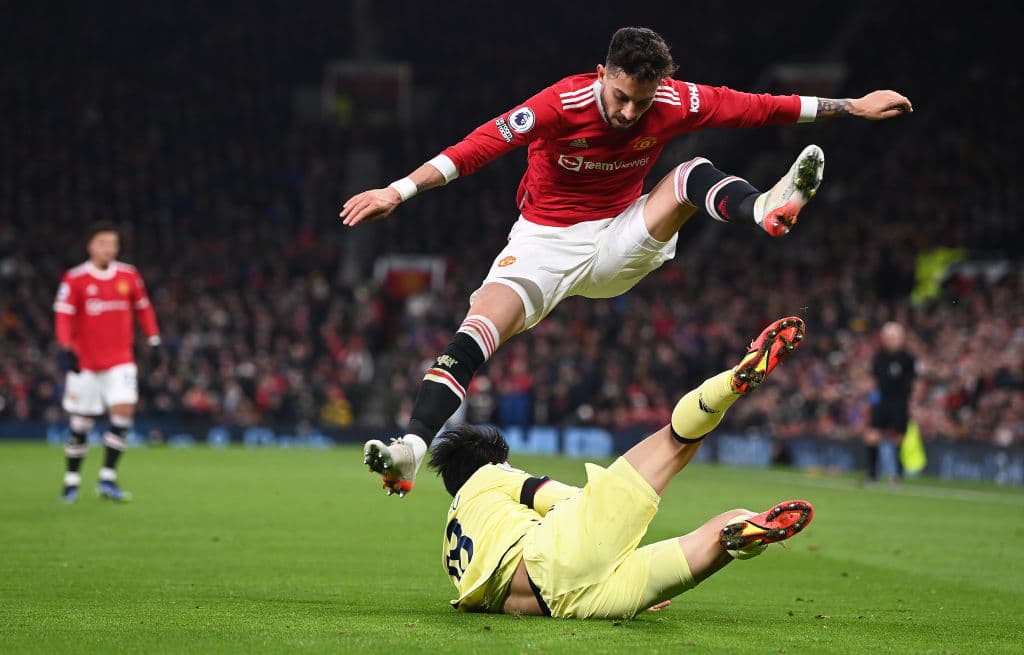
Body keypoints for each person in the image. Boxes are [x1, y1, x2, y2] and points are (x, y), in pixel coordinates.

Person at [345, 26, 913, 496]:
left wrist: (852, 107)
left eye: (642, 100)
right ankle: (412, 447)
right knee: (476, 330)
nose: (630, 110)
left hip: (619, 236)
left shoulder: (671, 101)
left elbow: (757, 107)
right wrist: (398, 190)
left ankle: (763, 208)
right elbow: (478, 147)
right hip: (544, 243)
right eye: (621, 96)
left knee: (690, 174)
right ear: (602, 74)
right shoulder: (560, 103)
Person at [430, 316, 812, 618]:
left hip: (562, 605)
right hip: (554, 554)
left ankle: (742, 530)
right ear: (490, 461)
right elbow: (562, 498)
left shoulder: (451, 551)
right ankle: (732, 382)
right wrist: (611, 514)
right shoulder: (488, 474)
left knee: (716, 537)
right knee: (675, 442)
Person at [53, 222, 162, 502]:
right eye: (103, 243)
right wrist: (65, 346)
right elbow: (63, 316)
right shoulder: (75, 278)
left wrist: (153, 339)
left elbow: (144, 308)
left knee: (123, 414)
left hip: (120, 360)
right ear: (90, 246)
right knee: (81, 424)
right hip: (86, 363)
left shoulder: (128, 275)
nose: (109, 249)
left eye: (113, 244)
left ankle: (107, 478)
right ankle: (71, 481)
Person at [864, 321, 918, 483]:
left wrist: (914, 402)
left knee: (899, 437)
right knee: (872, 435)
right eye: (888, 337)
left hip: (900, 402)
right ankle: (872, 474)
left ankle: (898, 474)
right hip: (882, 401)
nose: (890, 340)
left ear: (901, 338)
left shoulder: (908, 358)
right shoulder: (879, 357)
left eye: (893, 337)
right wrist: (871, 400)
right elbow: (874, 380)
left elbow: (915, 382)